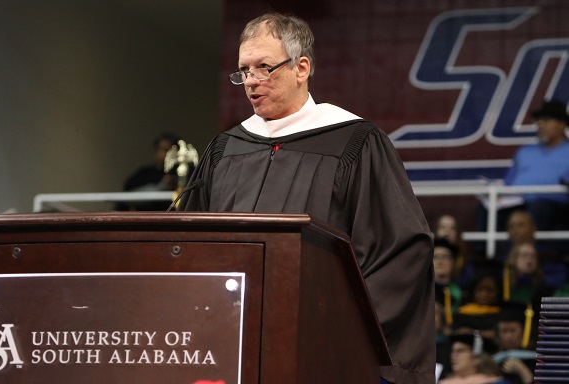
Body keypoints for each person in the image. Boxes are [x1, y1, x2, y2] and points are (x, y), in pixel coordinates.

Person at [179, 12, 433, 384]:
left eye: (263, 68)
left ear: (301, 68)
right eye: (243, 71)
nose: (250, 82)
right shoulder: (226, 149)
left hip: (321, 348)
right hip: (230, 342)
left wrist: (339, 323)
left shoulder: (355, 143)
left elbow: (401, 249)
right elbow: (193, 243)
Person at [503, 99, 569, 231]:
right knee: (486, 208)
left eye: (546, 121)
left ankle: (535, 249)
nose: (540, 125)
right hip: (518, 201)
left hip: (554, 204)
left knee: (537, 207)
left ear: (562, 124)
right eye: (539, 121)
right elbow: (508, 182)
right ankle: (483, 250)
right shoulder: (525, 151)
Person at [115, 132, 180, 211]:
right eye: (161, 150)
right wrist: (163, 186)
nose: (164, 154)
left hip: (173, 220)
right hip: (146, 220)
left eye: (169, 150)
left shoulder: (182, 174)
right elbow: (125, 196)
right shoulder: (144, 174)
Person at [439, 331, 507, 384]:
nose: (454, 355)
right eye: (453, 351)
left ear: (477, 356)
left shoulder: (496, 382)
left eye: (460, 351)